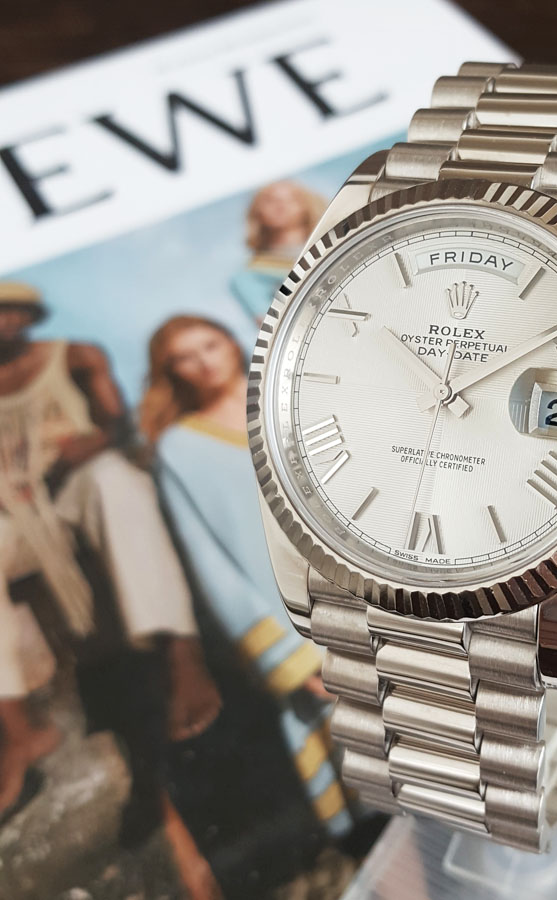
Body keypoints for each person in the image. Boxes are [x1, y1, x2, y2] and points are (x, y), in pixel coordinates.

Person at [0, 281, 222, 820]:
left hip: (73, 489)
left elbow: (116, 425)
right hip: (17, 514)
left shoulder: (74, 356)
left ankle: (180, 652)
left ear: (29, 315)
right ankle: (20, 728)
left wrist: (90, 443)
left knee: (114, 479)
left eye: (9, 311)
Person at [140, 314, 353, 839]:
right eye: (184, 357)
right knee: (376, 785)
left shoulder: (298, 393)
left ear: (231, 342)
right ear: (170, 373)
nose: (203, 361)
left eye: (210, 344)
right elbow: (210, 565)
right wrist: (290, 658)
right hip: (304, 628)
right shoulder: (178, 450)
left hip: (374, 592)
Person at [230, 180, 326, 324]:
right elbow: (271, 326)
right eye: (270, 200)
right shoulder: (248, 275)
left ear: (307, 206)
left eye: (292, 199)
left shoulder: (334, 242)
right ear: (257, 212)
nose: (281, 205)